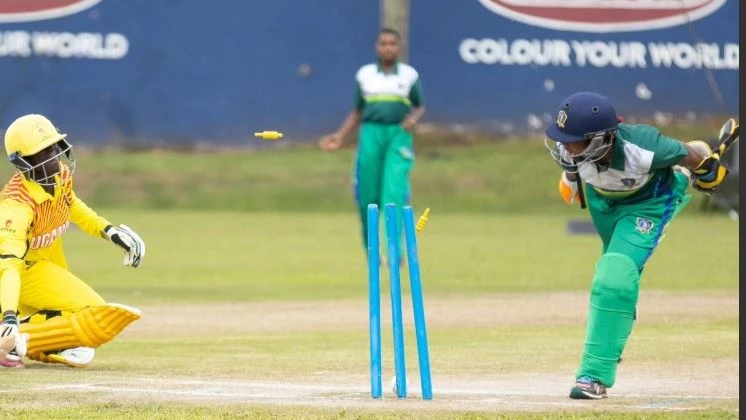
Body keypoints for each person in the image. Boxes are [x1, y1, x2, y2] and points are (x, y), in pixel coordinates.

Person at [543, 92, 731, 399]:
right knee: (616, 281)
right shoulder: (574, 154)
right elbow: (573, 187)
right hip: (604, 205)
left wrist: (707, 171)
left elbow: (690, 155)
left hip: (649, 205)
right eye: (563, 139)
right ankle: (609, 343)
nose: (565, 146)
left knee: (613, 276)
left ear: (601, 139)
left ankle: (594, 376)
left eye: (573, 140)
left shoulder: (644, 147)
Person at [0, 114, 145, 368]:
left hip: (43, 269)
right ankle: (13, 333)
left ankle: (22, 344)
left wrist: (109, 231)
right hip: (16, 275)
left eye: (54, 147)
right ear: (23, 163)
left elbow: (72, 206)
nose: (54, 156)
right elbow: (8, 267)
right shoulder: (16, 206)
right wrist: (10, 316)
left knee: (76, 320)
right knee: (93, 311)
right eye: (43, 153)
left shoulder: (59, 176)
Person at [319, 28, 425, 262]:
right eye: (383, 43)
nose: (388, 48)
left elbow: (419, 106)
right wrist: (340, 135)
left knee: (393, 192)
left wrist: (413, 119)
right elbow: (358, 112)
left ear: (399, 48)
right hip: (370, 134)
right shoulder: (365, 75)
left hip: (398, 134)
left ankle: (396, 251)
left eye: (392, 44)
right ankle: (372, 250)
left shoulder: (408, 75)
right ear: (377, 47)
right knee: (367, 195)